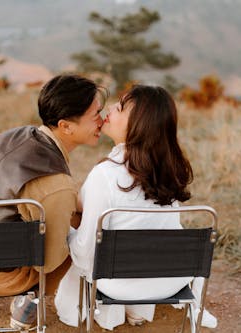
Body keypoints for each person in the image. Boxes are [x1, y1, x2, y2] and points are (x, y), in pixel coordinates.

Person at [0, 74, 107, 330]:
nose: (102, 121)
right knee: (80, 230)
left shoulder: (4, 137)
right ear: (66, 126)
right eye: (96, 114)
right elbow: (49, 261)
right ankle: (27, 302)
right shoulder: (55, 181)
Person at [54, 85, 217, 330]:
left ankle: (114, 307)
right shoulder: (168, 169)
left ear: (139, 123)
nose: (109, 109)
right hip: (168, 279)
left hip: (117, 283)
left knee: (76, 236)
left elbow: (87, 252)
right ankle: (136, 310)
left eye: (119, 107)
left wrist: (67, 234)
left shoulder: (105, 175)